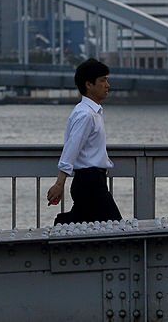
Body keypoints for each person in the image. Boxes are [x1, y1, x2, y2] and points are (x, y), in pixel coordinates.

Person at [47, 58, 122, 224]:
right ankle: (61, 226)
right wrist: (59, 184)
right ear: (89, 85)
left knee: (85, 227)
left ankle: (62, 226)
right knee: (116, 227)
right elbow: (71, 149)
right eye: (103, 80)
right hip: (91, 183)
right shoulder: (86, 115)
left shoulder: (89, 112)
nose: (107, 85)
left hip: (90, 182)